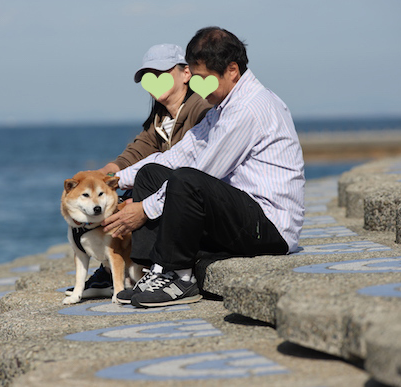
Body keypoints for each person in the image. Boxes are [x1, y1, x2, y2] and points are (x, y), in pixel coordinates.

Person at [102, 26, 305, 308]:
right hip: (241, 214)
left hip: (270, 228)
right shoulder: (223, 107)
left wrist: (144, 209)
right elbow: (179, 154)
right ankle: (157, 271)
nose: (197, 89)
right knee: (151, 174)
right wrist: (115, 180)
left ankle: (181, 278)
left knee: (188, 180)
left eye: (202, 80)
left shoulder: (248, 109)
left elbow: (204, 173)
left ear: (231, 70)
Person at [66, 43, 212, 299]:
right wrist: (102, 177)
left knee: (141, 182)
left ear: (186, 73)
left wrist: (141, 200)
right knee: (111, 197)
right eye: (149, 77)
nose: (155, 81)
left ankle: (147, 268)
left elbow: (191, 163)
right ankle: (112, 267)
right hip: (174, 189)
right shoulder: (160, 119)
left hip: (197, 196)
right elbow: (135, 152)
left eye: (162, 73)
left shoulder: (201, 109)